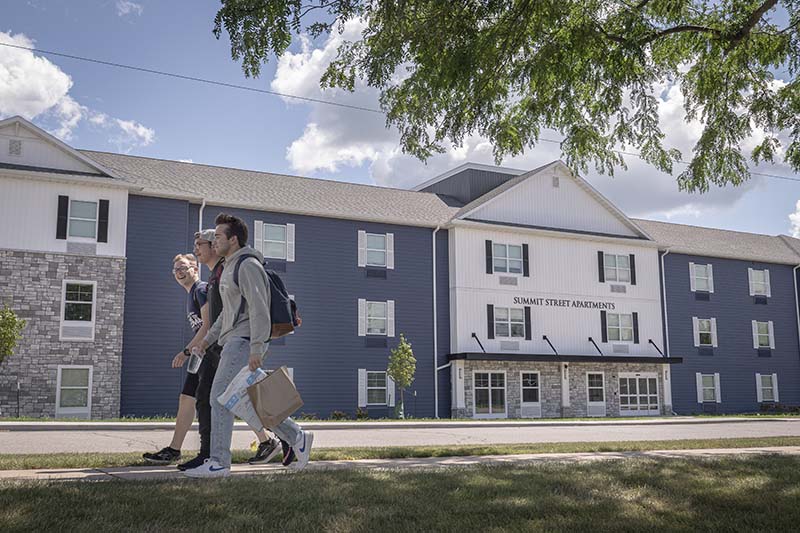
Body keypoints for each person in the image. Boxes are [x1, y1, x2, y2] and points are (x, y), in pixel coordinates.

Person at [185, 213, 312, 478]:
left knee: (219, 398)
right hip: (233, 339)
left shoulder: (248, 265)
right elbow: (225, 315)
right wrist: (206, 341)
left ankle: (219, 462)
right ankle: (297, 437)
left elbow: (259, 309)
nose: (214, 239)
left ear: (233, 239)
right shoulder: (230, 266)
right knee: (255, 401)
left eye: (218, 236)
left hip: (243, 341)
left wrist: (256, 348)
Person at [142, 253, 209, 466]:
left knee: (239, 400)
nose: (179, 273)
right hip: (201, 355)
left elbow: (207, 325)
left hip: (212, 354)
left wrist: (186, 352)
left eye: (184, 268)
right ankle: (174, 449)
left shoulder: (201, 290)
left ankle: (268, 441)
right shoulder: (191, 294)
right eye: (176, 270)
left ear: (195, 269)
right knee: (186, 398)